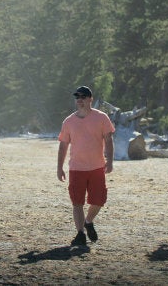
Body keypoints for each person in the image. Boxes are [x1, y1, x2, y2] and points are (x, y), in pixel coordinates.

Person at [57, 86, 115, 246]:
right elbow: (63, 146)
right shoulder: (68, 121)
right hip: (76, 168)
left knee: (99, 200)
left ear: (90, 99)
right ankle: (80, 234)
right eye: (77, 97)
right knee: (77, 203)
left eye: (83, 97)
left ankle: (88, 221)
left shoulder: (101, 118)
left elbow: (109, 140)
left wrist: (110, 161)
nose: (80, 100)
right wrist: (59, 167)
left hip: (97, 167)